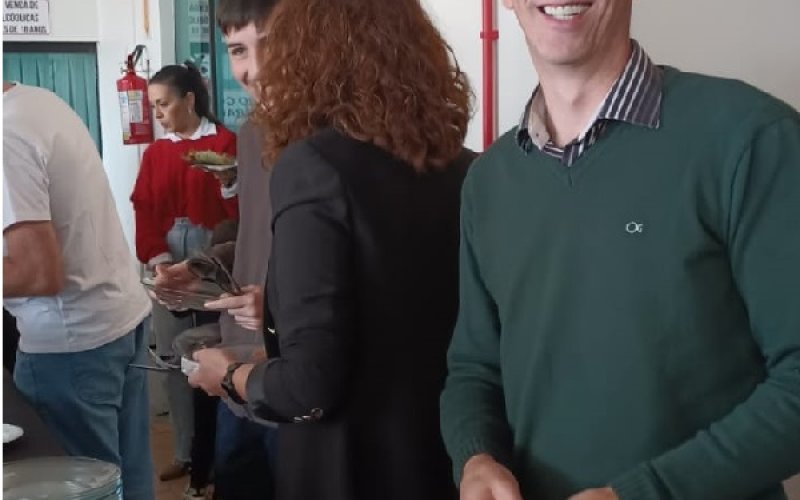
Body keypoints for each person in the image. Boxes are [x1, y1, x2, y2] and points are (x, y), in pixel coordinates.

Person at [438, 1, 800, 499]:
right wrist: (477, 457)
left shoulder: (750, 139)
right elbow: (474, 371)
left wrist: (641, 493)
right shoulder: (488, 184)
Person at [187, 0, 475, 498]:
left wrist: (230, 376)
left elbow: (309, 384)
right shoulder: (465, 167)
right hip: (441, 455)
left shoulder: (315, 166)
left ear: (315, 53)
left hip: (348, 465)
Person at [152, 1, 281, 498]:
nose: (254, 70)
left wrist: (280, 306)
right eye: (238, 50)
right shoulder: (252, 134)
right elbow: (252, 234)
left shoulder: (336, 142)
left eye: (269, 45)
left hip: (294, 379)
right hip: (238, 370)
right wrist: (200, 266)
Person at [3, 82, 154, 500]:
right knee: (127, 477)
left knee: (88, 489)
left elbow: (37, 272)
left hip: (71, 343)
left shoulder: (5, 134)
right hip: (116, 318)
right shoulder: (38, 102)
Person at [130, 62, 237, 494]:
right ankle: (184, 450)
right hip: (166, 254)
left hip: (215, 252)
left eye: (164, 104)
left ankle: (216, 454)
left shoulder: (225, 143)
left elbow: (240, 214)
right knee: (173, 360)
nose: (158, 114)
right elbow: (144, 209)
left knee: (216, 350)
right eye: (153, 106)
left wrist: (229, 183)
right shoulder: (156, 153)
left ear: (189, 100)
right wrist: (157, 260)